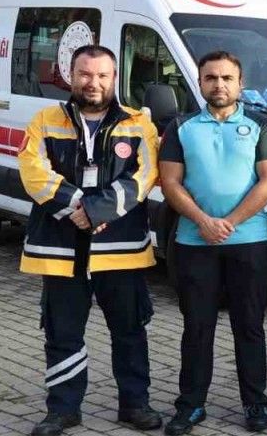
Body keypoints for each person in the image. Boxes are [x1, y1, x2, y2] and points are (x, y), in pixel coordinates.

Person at [17, 44, 162, 436]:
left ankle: (135, 404)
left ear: (114, 78)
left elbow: (145, 175)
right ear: (71, 75)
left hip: (121, 250)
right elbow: (32, 171)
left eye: (102, 75)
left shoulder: (139, 124)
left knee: (130, 330)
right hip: (61, 248)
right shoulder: (45, 120)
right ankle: (63, 410)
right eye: (84, 74)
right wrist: (78, 207)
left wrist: (97, 211)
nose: (93, 82)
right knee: (62, 333)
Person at [158, 52, 267, 435]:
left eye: (227, 78)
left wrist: (229, 223)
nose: (219, 84)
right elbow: (170, 183)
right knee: (197, 327)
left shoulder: (260, 125)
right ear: (199, 83)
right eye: (210, 77)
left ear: (240, 84)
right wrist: (203, 222)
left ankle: (256, 404)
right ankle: (190, 406)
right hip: (194, 242)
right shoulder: (180, 127)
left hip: (249, 241)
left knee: (250, 326)